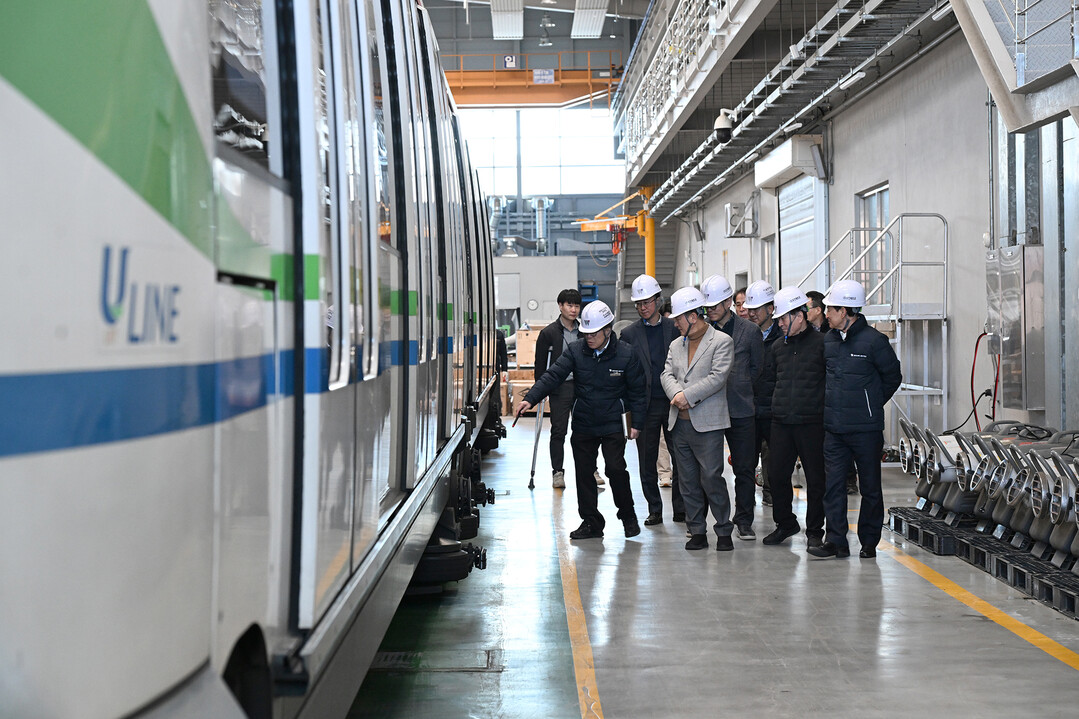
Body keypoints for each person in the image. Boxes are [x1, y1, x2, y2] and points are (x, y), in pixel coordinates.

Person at [517, 301, 647, 540]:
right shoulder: (576, 350)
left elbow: (639, 391)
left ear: (608, 330)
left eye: (594, 333)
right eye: (585, 333)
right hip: (584, 422)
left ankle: (628, 516)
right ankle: (591, 522)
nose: (588, 338)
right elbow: (553, 375)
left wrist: (636, 424)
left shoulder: (626, 354)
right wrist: (532, 398)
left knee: (616, 469)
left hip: (612, 423)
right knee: (584, 473)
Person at [810, 280, 903, 559]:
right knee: (833, 486)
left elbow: (893, 377)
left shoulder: (874, 341)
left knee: (870, 487)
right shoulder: (829, 340)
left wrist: (870, 404)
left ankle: (869, 542)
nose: (826, 314)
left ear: (846, 311)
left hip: (866, 429)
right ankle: (836, 541)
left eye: (831, 309)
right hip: (834, 429)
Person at [662, 287, 736, 551]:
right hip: (679, 423)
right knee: (688, 481)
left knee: (712, 477)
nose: (675, 323)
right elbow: (666, 374)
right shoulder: (675, 344)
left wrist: (687, 396)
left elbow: (718, 377)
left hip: (708, 424)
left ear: (693, 316)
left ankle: (724, 530)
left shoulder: (721, 342)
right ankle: (697, 532)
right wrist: (678, 395)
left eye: (678, 318)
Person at [759, 287, 828, 548]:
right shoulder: (777, 347)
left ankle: (814, 532)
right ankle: (786, 523)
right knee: (776, 476)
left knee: (815, 479)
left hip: (812, 423)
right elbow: (769, 382)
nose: (779, 323)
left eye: (783, 319)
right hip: (781, 423)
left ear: (800, 316)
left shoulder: (823, 345)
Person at [702, 274, 763, 540]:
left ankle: (744, 520)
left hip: (741, 410)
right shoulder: (702, 331)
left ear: (728, 301)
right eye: (708, 305)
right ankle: (711, 521)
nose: (711, 309)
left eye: (715, 304)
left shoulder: (750, 332)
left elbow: (757, 370)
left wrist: (741, 387)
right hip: (710, 409)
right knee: (709, 469)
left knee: (744, 468)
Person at [620, 274, 684, 526]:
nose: (642, 307)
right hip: (644, 406)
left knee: (681, 457)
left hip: (674, 403)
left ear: (658, 300)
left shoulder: (675, 328)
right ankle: (655, 508)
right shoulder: (628, 334)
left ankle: (681, 508)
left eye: (647, 302)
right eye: (638, 303)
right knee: (646, 461)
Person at [534, 289, 604, 488]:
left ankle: (592, 468)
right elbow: (541, 365)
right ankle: (558, 472)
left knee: (587, 429)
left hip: (582, 387)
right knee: (559, 430)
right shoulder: (548, 333)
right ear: (560, 306)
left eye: (576, 306)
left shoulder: (585, 332)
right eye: (569, 305)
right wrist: (540, 391)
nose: (574, 310)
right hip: (560, 387)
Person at [743, 281, 782, 506]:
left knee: (775, 461)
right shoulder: (745, 334)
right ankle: (746, 509)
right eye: (750, 308)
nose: (752, 313)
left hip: (774, 410)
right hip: (749, 409)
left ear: (771, 308)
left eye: (757, 309)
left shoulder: (783, 335)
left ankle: (772, 496)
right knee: (745, 463)